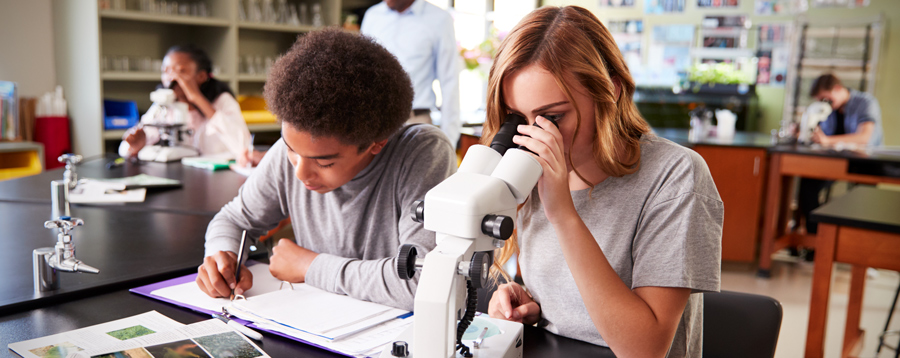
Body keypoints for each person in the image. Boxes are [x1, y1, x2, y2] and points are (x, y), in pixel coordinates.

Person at [483, 7, 723, 357]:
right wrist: (529, 302)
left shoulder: (675, 176)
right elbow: (575, 299)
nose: (536, 136)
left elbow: (644, 349)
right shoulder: (529, 171)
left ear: (609, 90)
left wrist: (563, 214)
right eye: (520, 118)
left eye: (552, 117)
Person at [195, 29, 457, 311]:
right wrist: (222, 255)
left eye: (325, 163)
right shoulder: (296, 151)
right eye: (290, 150)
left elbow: (424, 280)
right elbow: (234, 219)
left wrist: (310, 266)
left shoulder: (422, 152)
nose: (300, 174)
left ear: (376, 144)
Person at [119, 45, 251, 159]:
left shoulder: (222, 101)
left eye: (180, 71)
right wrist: (136, 145)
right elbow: (125, 149)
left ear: (202, 76)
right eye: (166, 71)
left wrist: (197, 98)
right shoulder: (165, 105)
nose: (171, 78)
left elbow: (243, 147)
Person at [361, 0, 461, 146]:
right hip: (373, 123)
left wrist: (449, 140)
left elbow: (449, 81)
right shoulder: (372, 16)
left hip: (415, 123)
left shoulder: (439, 19)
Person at [798, 74, 884, 238]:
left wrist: (827, 140)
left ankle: (856, 243)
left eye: (826, 98)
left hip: (864, 162)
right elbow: (819, 137)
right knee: (807, 184)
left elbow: (864, 138)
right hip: (834, 162)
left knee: (863, 198)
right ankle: (815, 241)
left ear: (837, 89)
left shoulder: (866, 102)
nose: (824, 103)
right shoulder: (827, 110)